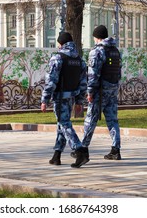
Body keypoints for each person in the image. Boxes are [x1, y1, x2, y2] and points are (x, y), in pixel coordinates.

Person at [41, 32, 89, 168]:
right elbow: (83, 83)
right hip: (72, 96)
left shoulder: (57, 58)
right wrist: (79, 101)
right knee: (61, 124)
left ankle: (79, 151)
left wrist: (45, 99)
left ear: (60, 44)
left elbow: (51, 81)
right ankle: (57, 155)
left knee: (64, 123)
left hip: (60, 97)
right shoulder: (79, 60)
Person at [79, 25, 122, 160]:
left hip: (100, 91)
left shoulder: (97, 51)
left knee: (90, 120)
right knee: (113, 120)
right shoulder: (115, 51)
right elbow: (119, 72)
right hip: (112, 90)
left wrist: (90, 91)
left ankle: (83, 149)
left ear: (96, 37)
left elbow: (93, 74)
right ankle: (116, 149)